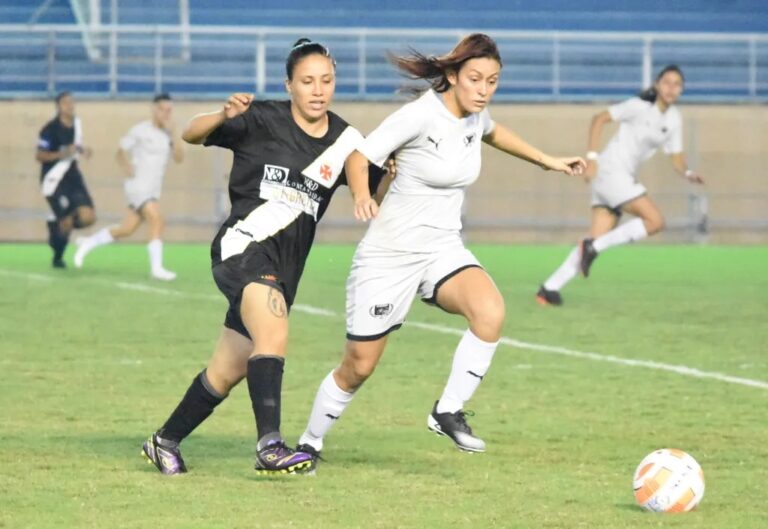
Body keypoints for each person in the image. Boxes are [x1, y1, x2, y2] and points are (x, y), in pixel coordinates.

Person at [294, 33, 585, 466]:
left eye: (492, 81)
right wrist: (361, 195)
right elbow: (359, 158)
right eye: (475, 79)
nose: (484, 90)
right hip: (390, 256)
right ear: (451, 76)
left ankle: (446, 410)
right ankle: (309, 442)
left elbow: (494, 132)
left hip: (442, 249)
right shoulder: (420, 116)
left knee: (490, 312)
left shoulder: (474, 116)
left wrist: (547, 160)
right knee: (359, 366)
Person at [140, 39, 392, 476]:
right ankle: (269, 446)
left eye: (326, 81)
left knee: (227, 369)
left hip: (284, 268)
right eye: (307, 81)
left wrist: (386, 177)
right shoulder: (260, 118)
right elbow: (191, 132)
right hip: (243, 247)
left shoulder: (345, 139)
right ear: (289, 85)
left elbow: (367, 193)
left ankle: (164, 441)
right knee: (274, 333)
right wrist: (223, 114)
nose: (318, 90)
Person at [536, 65, 704, 306]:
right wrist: (591, 159)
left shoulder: (674, 118)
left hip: (617, 177)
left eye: (677, 84)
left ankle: (548, 289)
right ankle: (592, 247)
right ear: (657, 85)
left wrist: (687, 172)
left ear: (682, 90)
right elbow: (599, 118)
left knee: (596, 238)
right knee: (655, 221)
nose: (671, 88)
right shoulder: (639, 106)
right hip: (611, 171)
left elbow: (676, 155)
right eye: (667, 82)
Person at [73, 93, 184, 280]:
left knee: (126, 229)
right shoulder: (140, 130)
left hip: (153, 189)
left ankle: (88, 243)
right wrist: (126, 166)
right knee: (157, 219)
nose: (166, 113)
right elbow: (120, 151)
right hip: (138, 186)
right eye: (163, 109)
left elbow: (179, 158)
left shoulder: (168, 135)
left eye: (169, 110)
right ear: (154, 110)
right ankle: (157, 269)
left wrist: (174, 133)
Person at [36, 91, 97, 268]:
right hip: (54, 180)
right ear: (59, 106)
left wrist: (83, 150)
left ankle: (57, 225)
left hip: (73, 177)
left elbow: (75, 146)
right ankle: (58, 256)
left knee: (88, 217)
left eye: (72, 102)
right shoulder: (50, 130)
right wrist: (62, 154)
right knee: (67, 221)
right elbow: (40, 155)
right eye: (66, 102)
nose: (70, 105)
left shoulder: (77, 125)